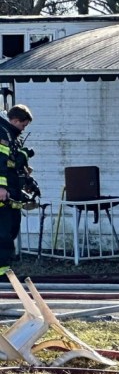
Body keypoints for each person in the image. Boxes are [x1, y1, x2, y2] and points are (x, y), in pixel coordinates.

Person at [0, 104, 36, 275]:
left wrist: (28, 181)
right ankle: (2, 273)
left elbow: (14, 164)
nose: (23, 129)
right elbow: (1, 162)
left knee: (11, 229)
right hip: (3, 193)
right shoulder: (2, 133)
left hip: (12, 191)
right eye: (23, 125)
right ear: (14, 120)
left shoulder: (12, 135)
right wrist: (1, 187)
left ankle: (5, 270)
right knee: (3, 233)